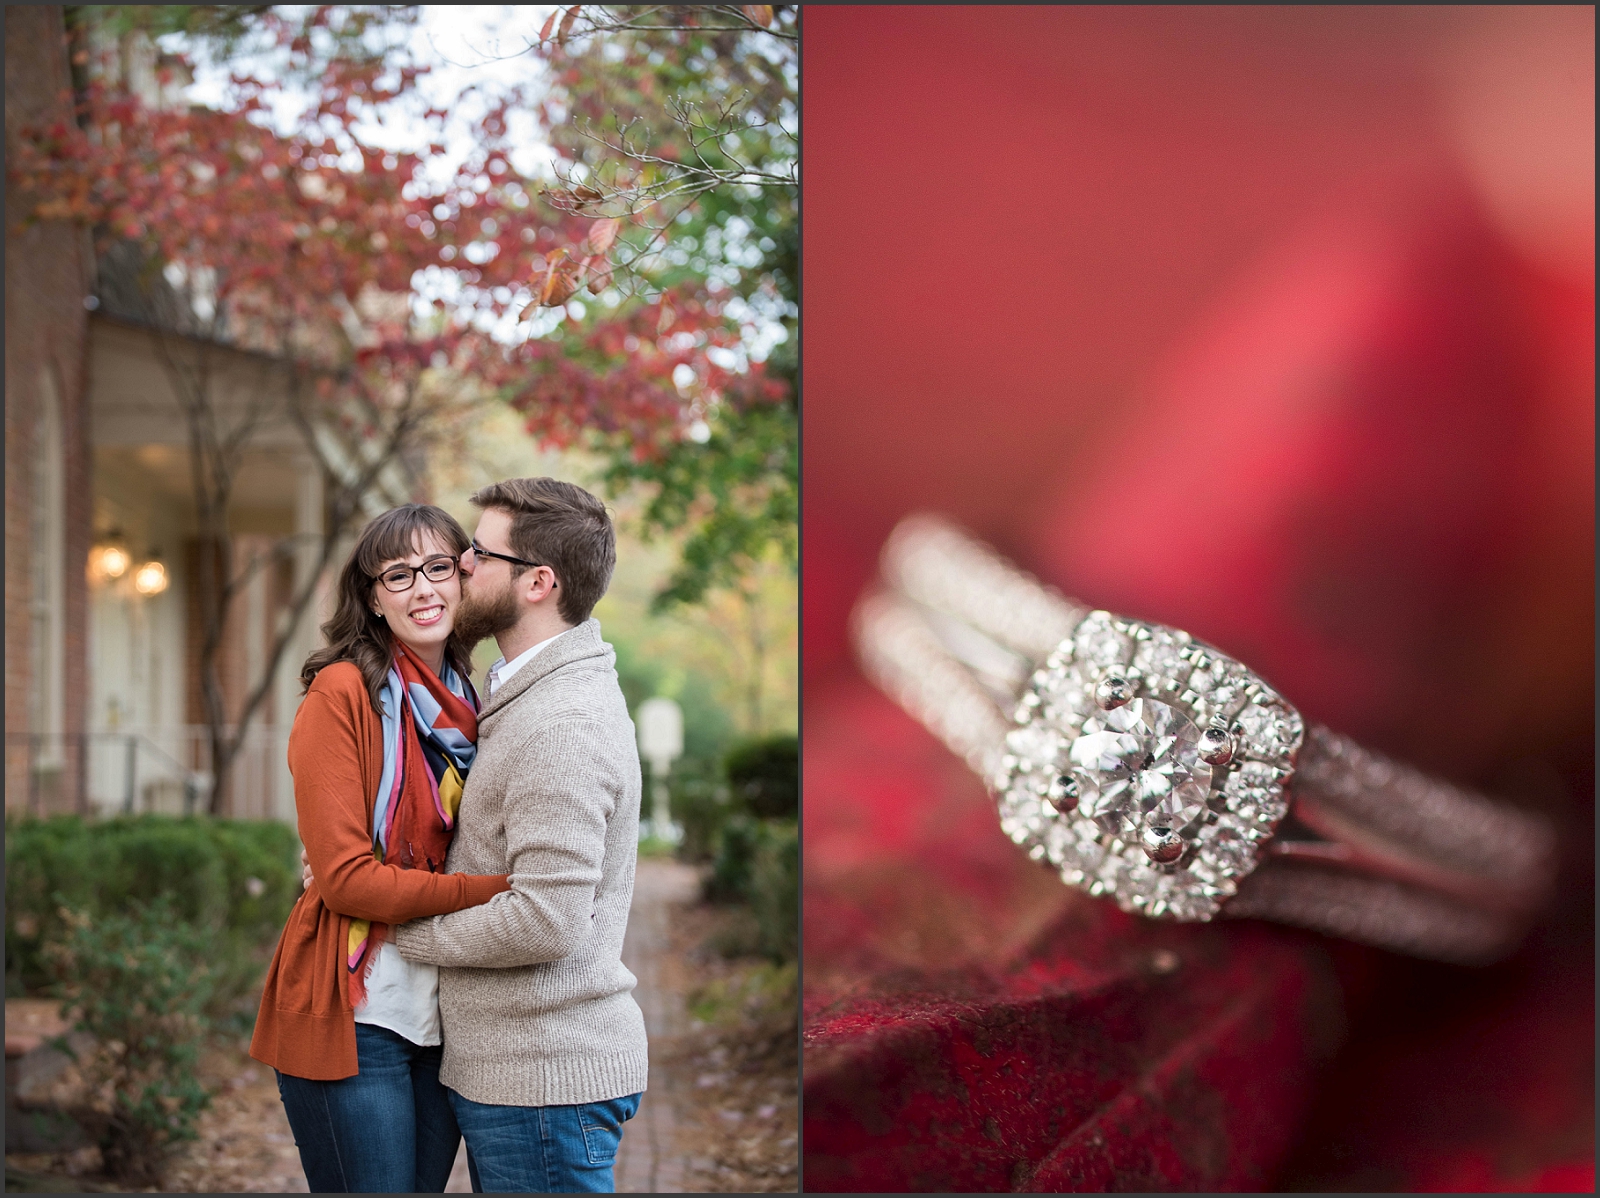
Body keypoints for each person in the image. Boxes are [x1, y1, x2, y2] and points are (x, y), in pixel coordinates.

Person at [387, 477, 648, 1193]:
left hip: (545, 1082)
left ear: (537, 582)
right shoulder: (523, 695)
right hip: (520, 1076)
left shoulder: (561, 725)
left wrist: (403, 934)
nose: (457, 564)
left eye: (476, 552)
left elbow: (546, 919)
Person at [250, 504, 511, 1193]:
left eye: (438, 569)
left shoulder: (476, 706)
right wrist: (498, 889)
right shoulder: (341, 694)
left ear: (464, 579)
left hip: (444, 1012)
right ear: (372, 596)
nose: (423, 590)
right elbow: (348, 883)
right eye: (399, 576)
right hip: (355, 1012)